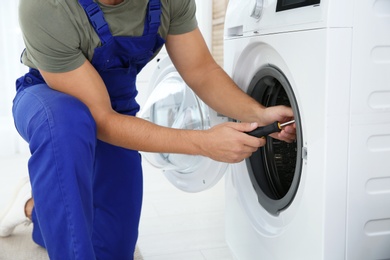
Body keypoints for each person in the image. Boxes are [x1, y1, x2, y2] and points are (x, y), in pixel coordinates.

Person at [0, 0, 296, 259]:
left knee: (113, 250)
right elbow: (99, 118)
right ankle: (56, 184)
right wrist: (203, 143)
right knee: (68, 124)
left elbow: (201, 71)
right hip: (51, 101)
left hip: (117, 108)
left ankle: (35, 209)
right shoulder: (46, 5)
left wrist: (260, 113)